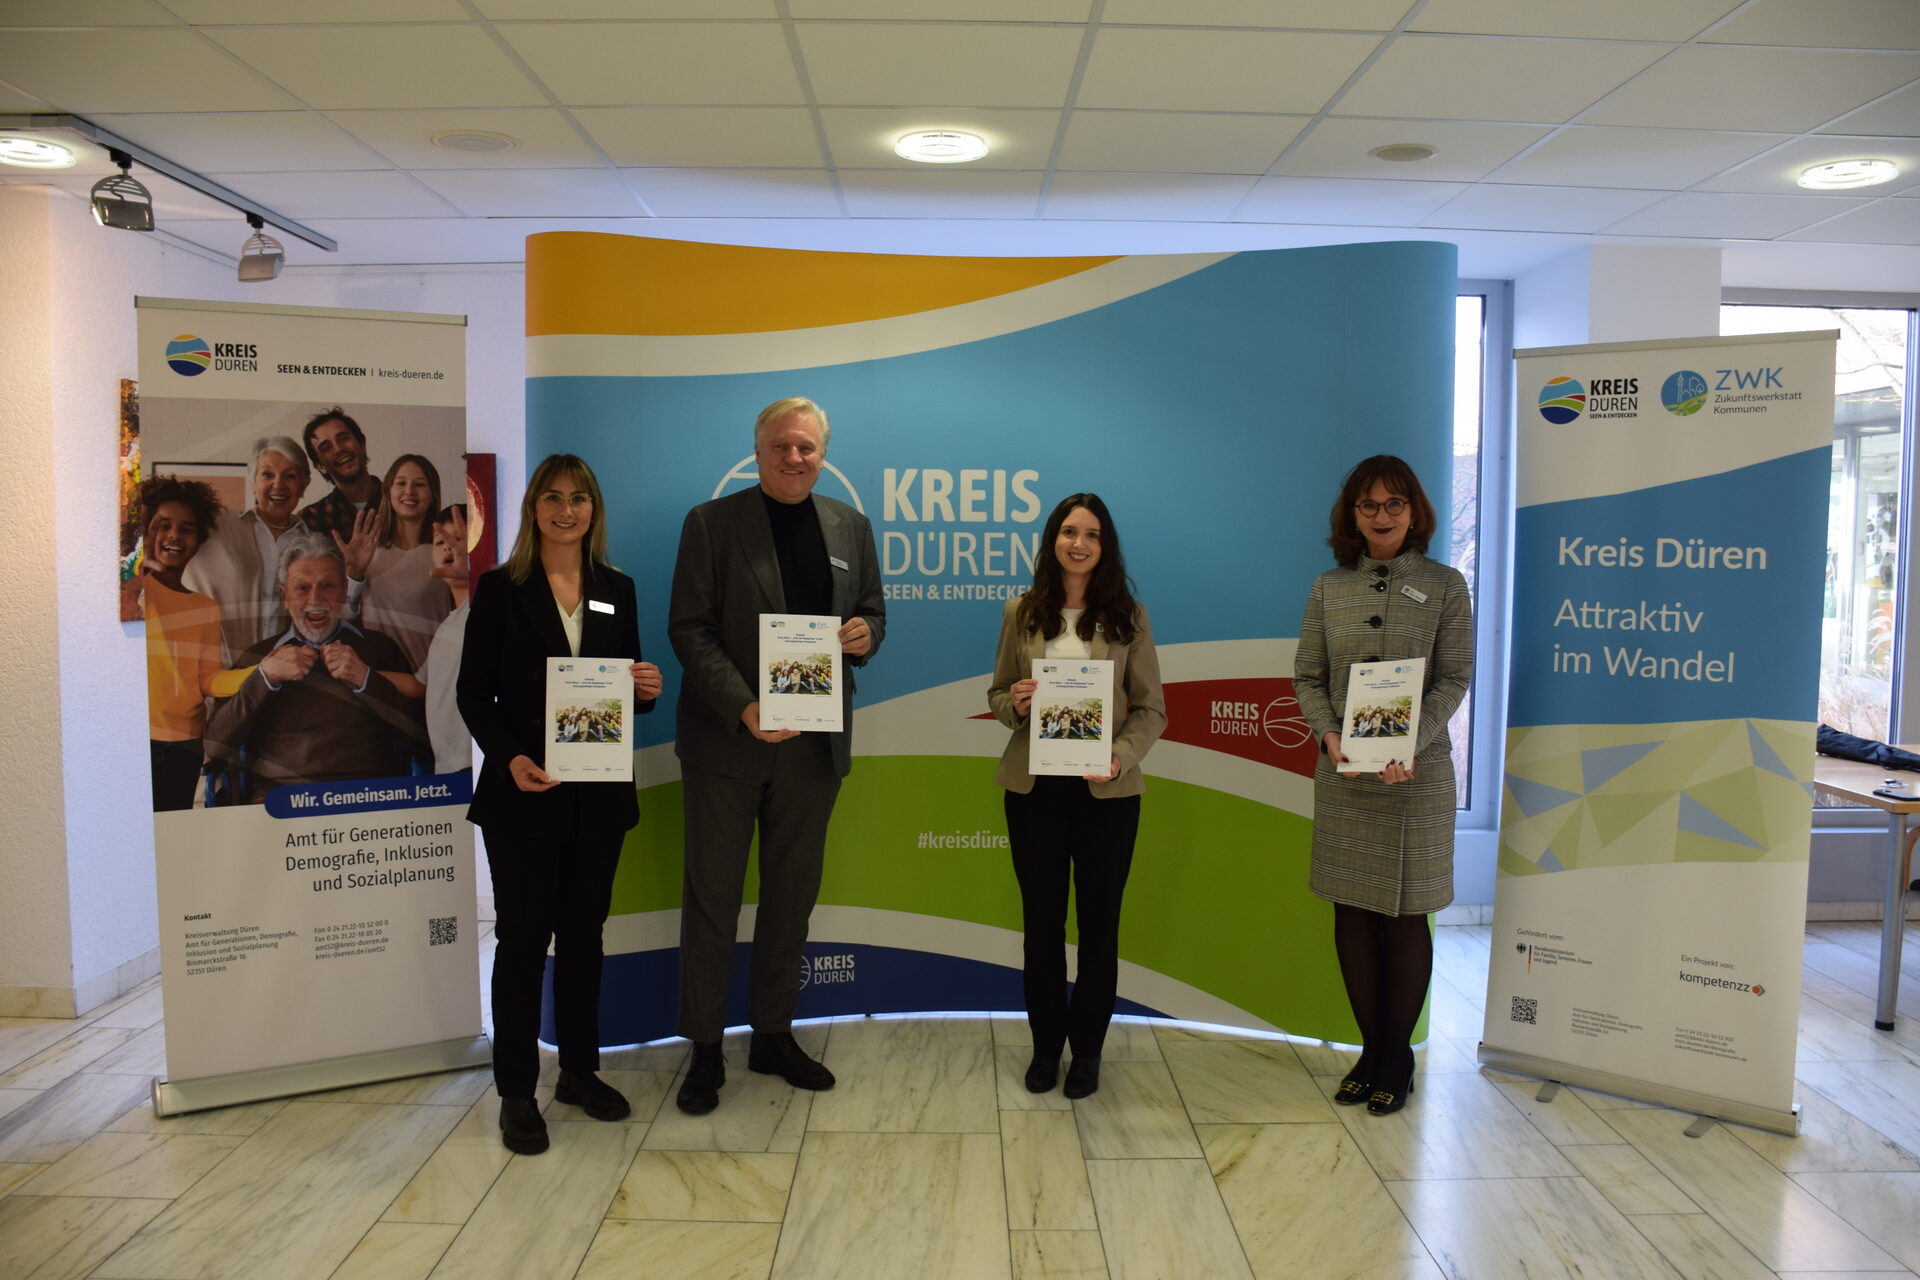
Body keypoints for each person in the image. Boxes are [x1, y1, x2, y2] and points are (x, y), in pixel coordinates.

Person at [667, 396, 885, 1115]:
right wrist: (743, 706)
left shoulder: (850, 526)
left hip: (812, 750)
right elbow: (690, 628)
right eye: (781, 446)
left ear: (823, 454)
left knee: (791, 900)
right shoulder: (711, 523)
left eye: (807, 448)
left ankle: (771, 1034)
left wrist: (866, 635)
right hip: (728, 743)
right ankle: (704, 1047)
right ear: (757, 452)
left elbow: (873, 611)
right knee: (713, 900)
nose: (795, 458)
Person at [456, 455, 663, 1156]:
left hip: (597, 796)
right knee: (522, 942)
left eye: (578, 498)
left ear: (593, 509)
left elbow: (623, 685)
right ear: (533, 508)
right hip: (523, 794)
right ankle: (516, 1090)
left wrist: (644, 688)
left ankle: (578, 1071)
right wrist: (509, 757)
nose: (566, 510)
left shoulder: (616, 589)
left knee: (583, 938)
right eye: (552, 497)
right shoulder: (500, 588)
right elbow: (472, 693)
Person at [1293, 455, 1473, 1116]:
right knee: (1352, 913)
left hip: (1415, 777)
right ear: (1352, 515)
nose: (1382, 516)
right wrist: (1327, 734)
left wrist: (1408, 742)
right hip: (1345, 775)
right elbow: (1307, 678)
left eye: (1394, 503)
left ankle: (1397, 1057)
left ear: (1414, 511)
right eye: (1368, 505)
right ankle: (1371, 1052)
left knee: (1404, 915)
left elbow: (1454, 678)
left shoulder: (1446, 586)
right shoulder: (1328, 588)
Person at [988, 494, 1165, 1100]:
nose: (1079, 543)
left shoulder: (1129, 617)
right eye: (1069, 531)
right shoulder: (1021, 611)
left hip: (1106, 792)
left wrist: (1121, 756)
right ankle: (1046, 1048)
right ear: (1052, 541)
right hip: (1034, 791)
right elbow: (997, 693)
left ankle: (1086, 1052)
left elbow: (1151, 709)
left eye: (1091, 534)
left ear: (1104, 545)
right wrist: (1015, 703)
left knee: (1099, 928)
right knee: (1041, 927)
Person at [203, 533, 429, 802]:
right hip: (280, 803)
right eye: (302, 588)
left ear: (344, 591)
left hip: (366, 799)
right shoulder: (258, 656)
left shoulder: (378, 648)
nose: (315, 599)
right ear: (284, 595)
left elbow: (422, 736)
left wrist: (366, 680)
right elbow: (215, 746)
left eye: (327, 586)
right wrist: (264, 677)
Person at [131, 477, 231, 811]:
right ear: (145, 532)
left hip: (186, 745)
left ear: (199, 540)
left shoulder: (206, 607)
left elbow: (209, 679)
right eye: (163, 526)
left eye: (186, 529)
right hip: (134, 738)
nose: (175, 535)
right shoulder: (132, 591)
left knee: (170, 833)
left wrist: (262, 673)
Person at [182, 437, 313, 665]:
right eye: (267, 474)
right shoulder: (217, 526)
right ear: (253, 482)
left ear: (303, 486)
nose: (278, 484)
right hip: (221, 669)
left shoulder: (313, 543)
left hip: (286, 673)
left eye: (290, 476)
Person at [339, 455, 455, 672]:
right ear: (388, 491)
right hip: (375, 676)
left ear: (432, 495)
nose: (409, 491)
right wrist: (354, 573)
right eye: (401, 483)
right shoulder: (367, 550)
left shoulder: (444, 552)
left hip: (430, 675)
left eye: (419, 484)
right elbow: (343, 618)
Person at [419, 504, 472, 777]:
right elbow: (420, 684)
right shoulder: (446, 625)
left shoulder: (486, 607)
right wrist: (362, 673)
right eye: (440, 542)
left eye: (459, 540)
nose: (449, 548)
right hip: (448, 769)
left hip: (476, 763)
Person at [297, 407, 379, 543]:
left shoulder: (400, 502)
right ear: (320, 466)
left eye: (343, 438)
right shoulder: (310, 520)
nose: (339, 449)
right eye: (326, 448)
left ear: (362, 445)